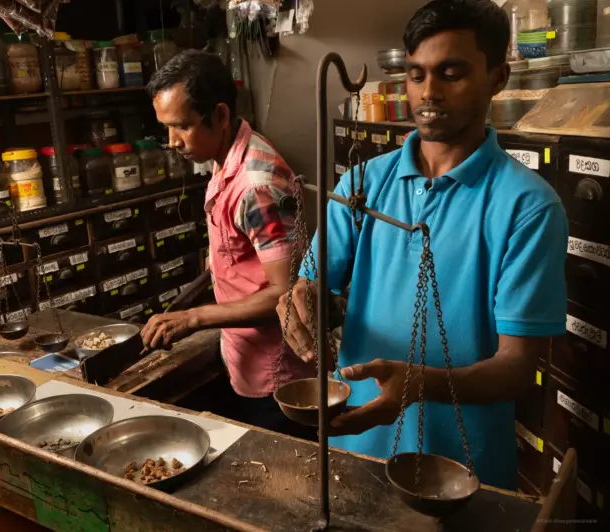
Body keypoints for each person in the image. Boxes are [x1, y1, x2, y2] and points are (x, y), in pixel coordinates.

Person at [277, 0, 567, 491]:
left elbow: (518, 368)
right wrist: (298, 301)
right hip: (357, 447)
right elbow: (314, 278)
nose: (428, 92)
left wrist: (421, 385)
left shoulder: (528, 207)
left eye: (451, 73)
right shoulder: (366, 182)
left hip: (462, 468)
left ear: (498, 76)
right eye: (416, 75)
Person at [141, 49, 316, 436]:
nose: (172, 142)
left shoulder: (258, 185)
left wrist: (193, 317)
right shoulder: (225, 157)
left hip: (276, 375)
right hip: (242, 357)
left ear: (220, 115)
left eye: (181, 126)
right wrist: (219, 260)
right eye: (165, 128)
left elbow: (286, 294)